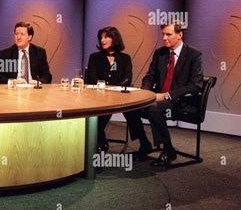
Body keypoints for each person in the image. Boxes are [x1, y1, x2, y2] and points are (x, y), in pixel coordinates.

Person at [128, 22, 203, 166]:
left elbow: (195, 85)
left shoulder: (194, 55)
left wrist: (167, 95)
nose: (164, 38)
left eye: (168, 34)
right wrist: (146, 92)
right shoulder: (160, 53)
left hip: (179, 101)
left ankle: (168, 149)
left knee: (152, 108)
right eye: (163, 34)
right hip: (157, 97)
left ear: (180, 35)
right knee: (131, 106)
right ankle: (145, 144)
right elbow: (150, 76)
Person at [87, 26, 152, 153]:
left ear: (114, 39)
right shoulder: (95, 57)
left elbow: (127, 78)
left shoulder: (125, 58)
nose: (102, 40)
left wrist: (114, 90)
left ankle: (144, 143)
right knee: (102, 112)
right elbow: (91, 78)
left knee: (132, 111)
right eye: (101, 37)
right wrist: (105, 89)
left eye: (106, 37)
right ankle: (101, 141)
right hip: (100, 96)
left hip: (120, 96)